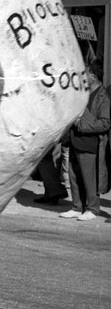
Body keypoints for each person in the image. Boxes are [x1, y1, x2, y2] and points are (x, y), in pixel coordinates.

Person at [60, 61, 110, 222]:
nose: (83, 76)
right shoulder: (82, 92)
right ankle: (76, 207)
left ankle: (93, 208)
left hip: (89, 142)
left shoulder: (103, 97)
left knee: (89, 178)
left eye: (86, 73)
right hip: (75, 139)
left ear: (93, 77)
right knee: (73, 176)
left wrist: (81, 124)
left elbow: (105, 122)